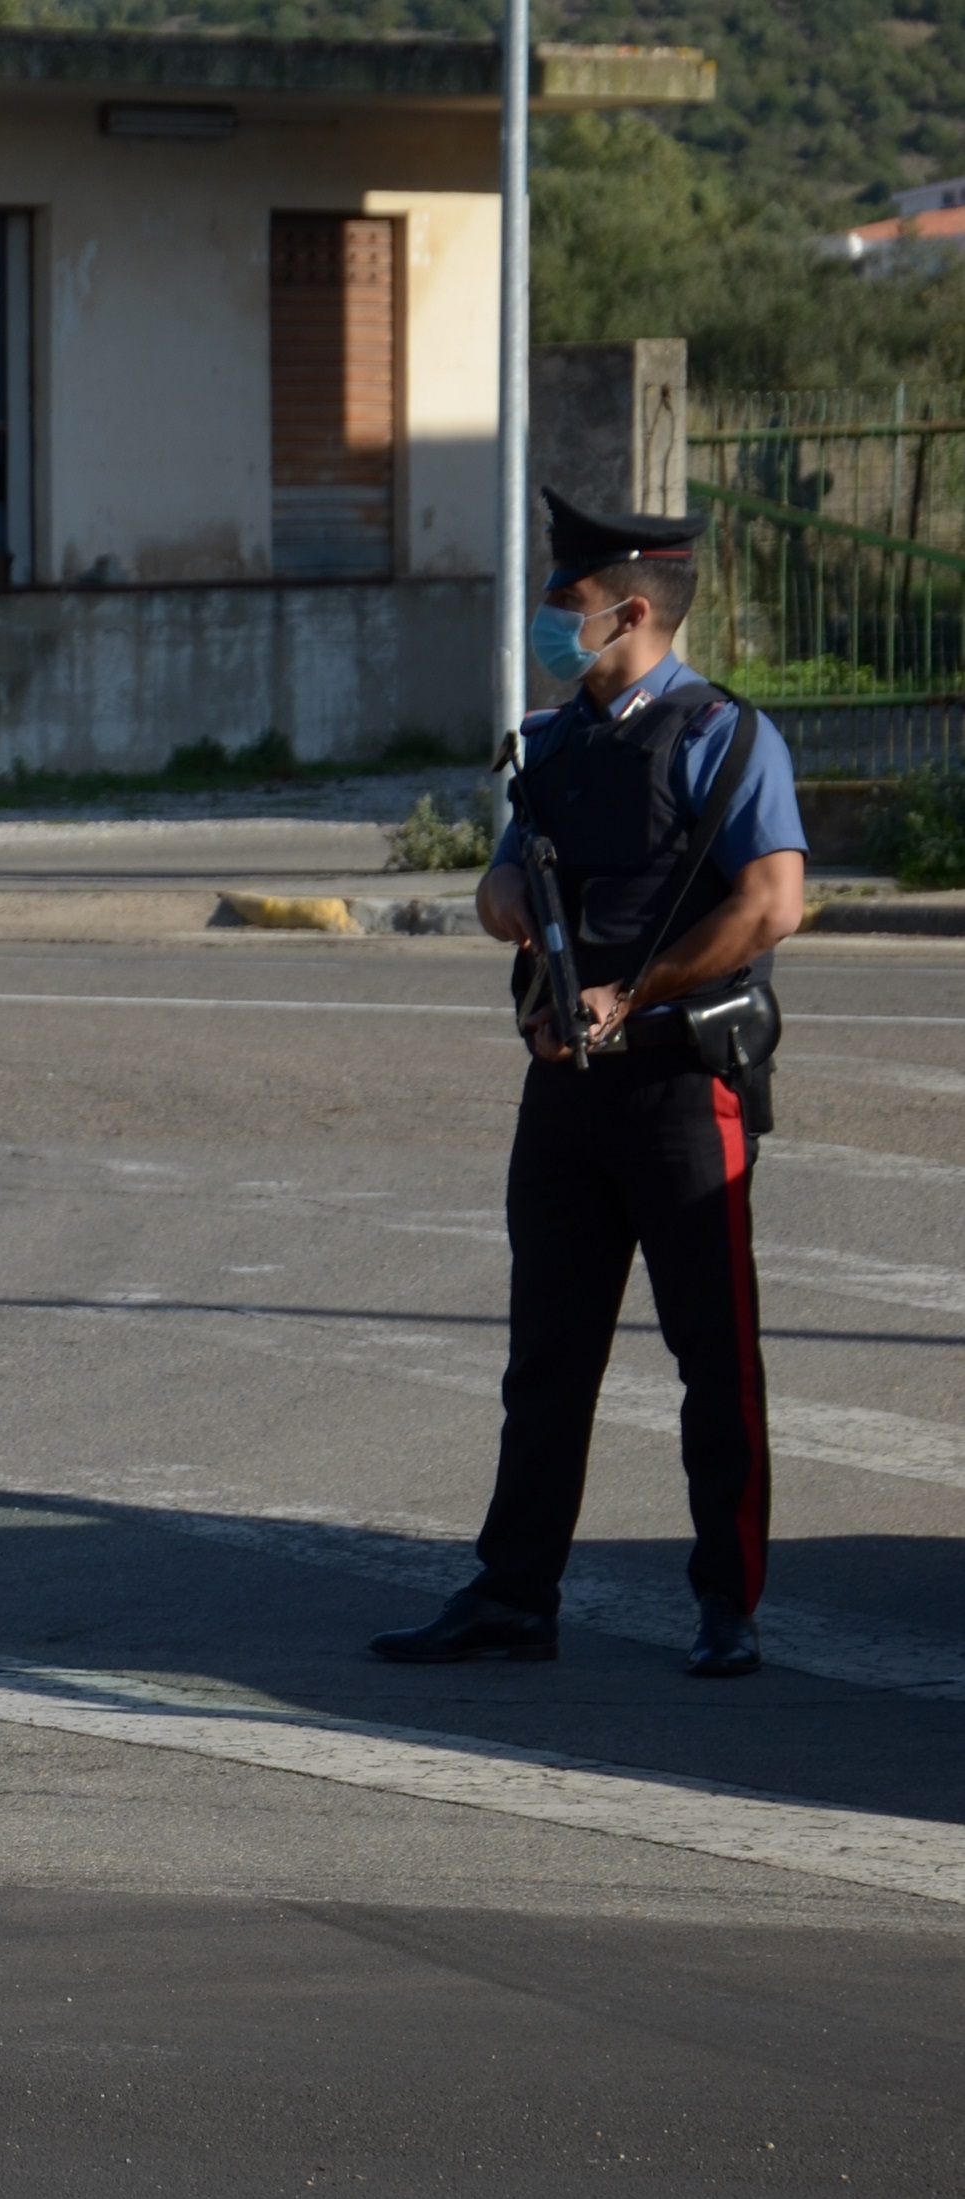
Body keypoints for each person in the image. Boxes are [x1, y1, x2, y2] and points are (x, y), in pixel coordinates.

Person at [372, 490, 806, 1680]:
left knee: (714, 1359)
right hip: (563, 1091)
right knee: (546, 1354)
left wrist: (639, 992)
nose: (552, 622)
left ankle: (728, 1602)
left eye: (566, 604)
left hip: (678, 1087)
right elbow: (499, 887)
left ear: (627, 609)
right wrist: (509, 910)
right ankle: (515, 1591)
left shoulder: (726, 734)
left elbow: (772, 901)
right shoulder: (551, 742)